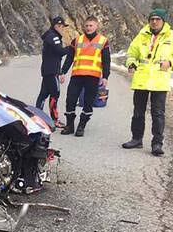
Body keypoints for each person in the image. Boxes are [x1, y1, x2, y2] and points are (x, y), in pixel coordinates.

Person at [122, 9, 172, 156]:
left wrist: (170, 62)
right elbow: (131, 53)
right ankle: (136, 139)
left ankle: (157, 144)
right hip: (142, 80)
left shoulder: (171, 36)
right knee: (138, 112)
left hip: (159, 81)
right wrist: (131, 63)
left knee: (158, 114)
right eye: (152, 19)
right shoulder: (141, 35)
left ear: (163, 21)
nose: (154, 21)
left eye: (157, 19)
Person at [60, 16, 111, 137]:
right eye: (87, 26)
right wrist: (62, 72)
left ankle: (81, 126)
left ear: (96, 26)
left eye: (91, 25)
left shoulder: (103, 41)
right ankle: (70, 125)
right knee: (70, 100)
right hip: (77, 75)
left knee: (88, 103)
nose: (88, 28)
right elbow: (69, 58)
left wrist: (105, 77)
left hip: (93, 76)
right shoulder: (77, 40)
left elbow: (106, 60)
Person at [36, 16, 71, 128]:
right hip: (51, 71)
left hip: (48, 70)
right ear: (57, 26)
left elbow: (55, 56)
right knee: (55, 94)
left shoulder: (51, 36)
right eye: (62, 27)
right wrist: (71, 48)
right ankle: (54, 120)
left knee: (43, 95)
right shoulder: (53, 37)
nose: (63, 29)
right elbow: (60, 52)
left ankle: (37, 118)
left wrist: (60, 71)